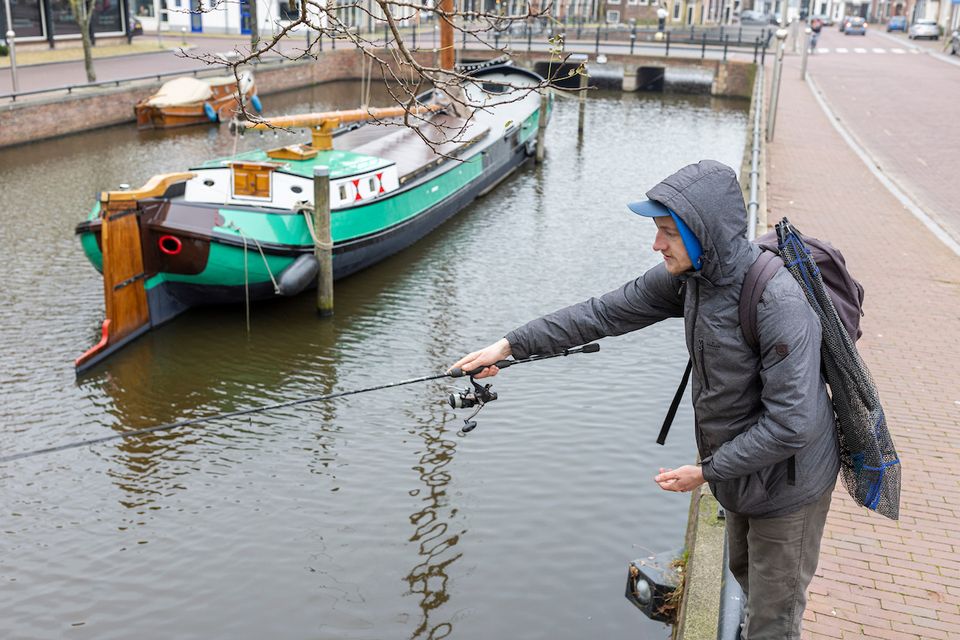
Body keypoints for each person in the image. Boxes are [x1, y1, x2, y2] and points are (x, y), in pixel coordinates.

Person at [451, 160, 840, 640]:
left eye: (666, 233)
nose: (656, 245)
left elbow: (791, 424)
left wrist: (707, 471)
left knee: (773, 622)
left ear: (704, 233)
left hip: (790, 481)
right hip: (741, 470)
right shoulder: (691, 277)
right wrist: (510, 345)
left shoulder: (776, 303)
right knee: (744, 580)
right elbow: (603, 312)